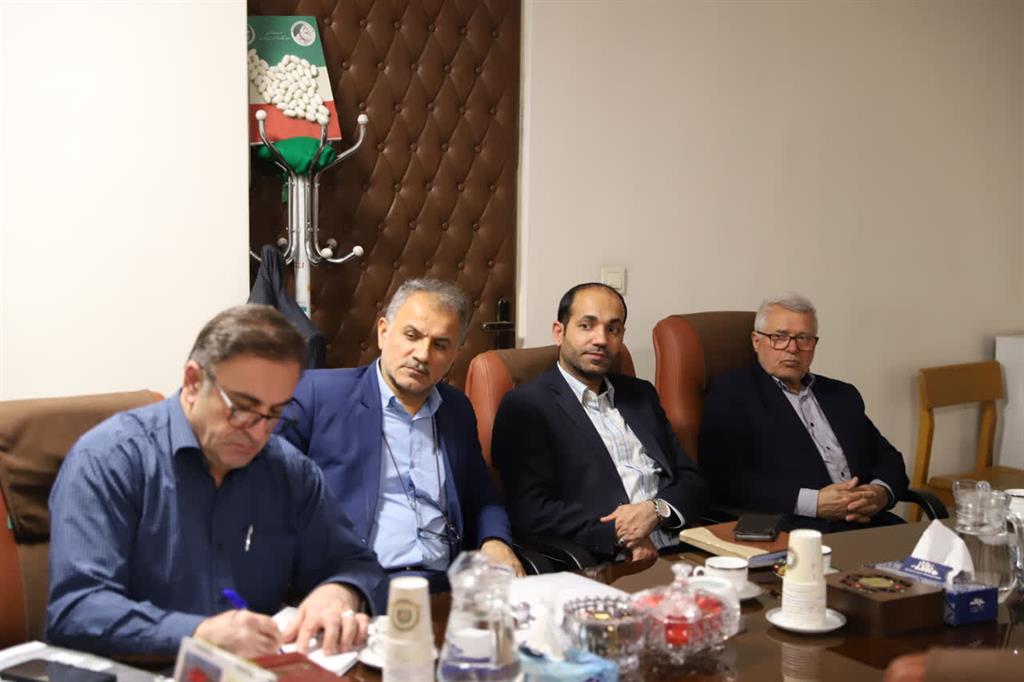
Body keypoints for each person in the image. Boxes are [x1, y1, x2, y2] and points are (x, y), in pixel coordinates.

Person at [46, 305, 386, 657]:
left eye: (274, 414)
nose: (258, 432)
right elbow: (76, 610)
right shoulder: (109, 459)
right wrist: (197, 634)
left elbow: (355, 564)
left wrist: (338, 594)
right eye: (242, 408)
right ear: (194, 382)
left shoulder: (287, 469)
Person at [279, 278, 523, 590]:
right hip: (356, 586)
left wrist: (495, 540)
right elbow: (267, 491)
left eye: (440, 345)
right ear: (383, 332)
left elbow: (481, 495)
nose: (422, 354)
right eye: (412, 335)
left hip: (442, 585)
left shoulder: (456, 409)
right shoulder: (318, 395)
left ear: (454, 354)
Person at [490, 283, 707, 562]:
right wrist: (619, 532)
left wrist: (657, 510)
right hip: (608, 559)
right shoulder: (527, 406)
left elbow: (690, 477)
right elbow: (530, 509)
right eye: (586, 326)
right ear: (559, 332)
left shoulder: (641, 394)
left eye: (613, 329)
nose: (601, 339)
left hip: (683, 547)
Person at [699, 294, 909, 532]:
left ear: (814, 344)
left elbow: (889, 458)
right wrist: (814, 503)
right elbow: (726, 479)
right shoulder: (733, 392)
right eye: (779, 337)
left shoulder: (842, 395)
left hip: (868, 522)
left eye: (803, 338)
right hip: (797, 529)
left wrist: (879, 493)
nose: (792, 348)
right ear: (756, 341)